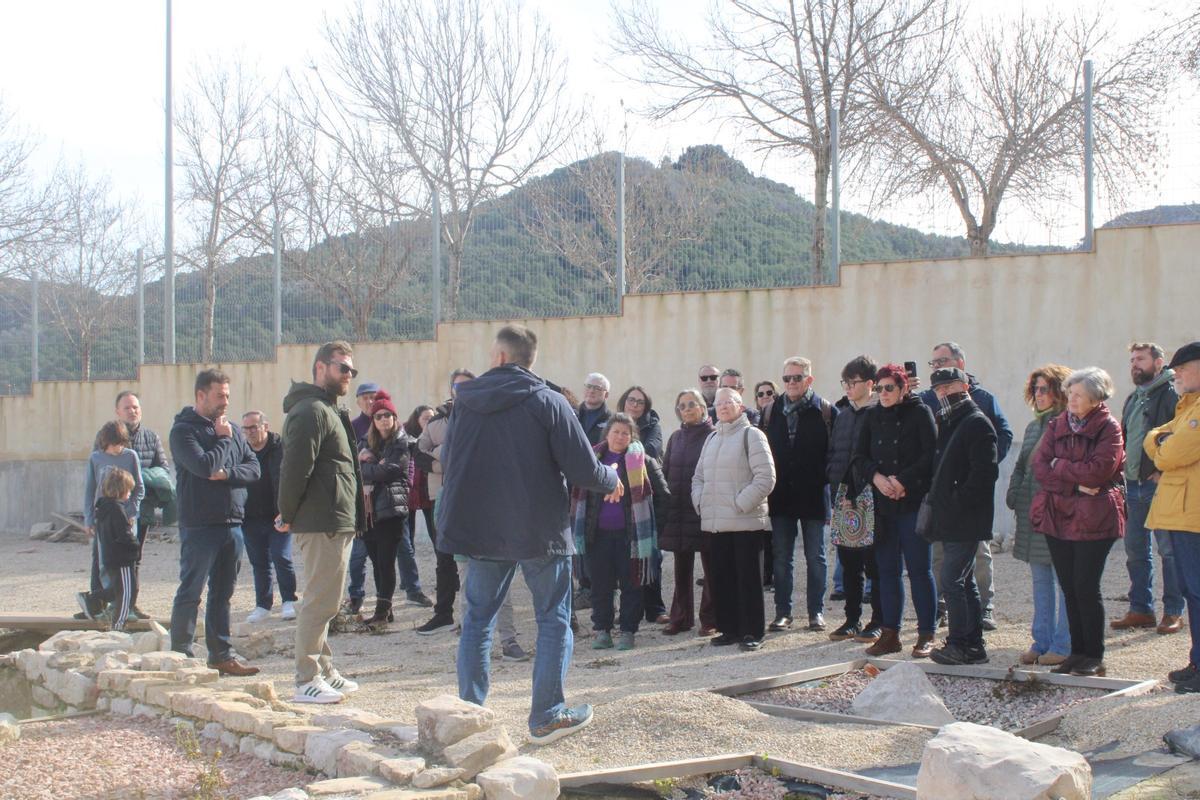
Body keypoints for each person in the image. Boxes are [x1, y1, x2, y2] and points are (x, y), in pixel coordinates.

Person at [438, 324, 619, 744]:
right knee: (553, 619)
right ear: (529, 359)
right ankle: (547, 716)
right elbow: (582, 470)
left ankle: (471, 720)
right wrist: (612, 479)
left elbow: (450, 459)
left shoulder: (464, 402)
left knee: (478, 620)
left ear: (499, 357)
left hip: (480, 529)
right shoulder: (550, 401)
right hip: (540, 530)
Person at [278, 341, 367, 703]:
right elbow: (295, 469)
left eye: (351, 370)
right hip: (321, 520)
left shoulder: (328, 409)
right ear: (320, 367)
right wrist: (286, 513)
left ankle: (325, 670)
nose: (348, 375)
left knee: (328, 601)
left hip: (336, 518)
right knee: (318, 601)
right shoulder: (310, 411)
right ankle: (306, 678)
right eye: (342, 368)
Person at [1032, 367, 1125, 677]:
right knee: (1069, 587)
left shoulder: (1109, 429)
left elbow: (1098, 472)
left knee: (1086, 586)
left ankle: (1094, 654)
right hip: (1058, 514)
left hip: (1094, 518)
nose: (1070, 399)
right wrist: (1072, 483)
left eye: (1078, 395)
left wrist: (1061, 465)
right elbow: (1041, 467)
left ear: (1096, 398)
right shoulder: (1058, 424)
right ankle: (1077, 652)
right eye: (1070, 393)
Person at [168, 369, 261, 677]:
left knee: (223, 592)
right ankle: (180, 653)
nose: (225, 402)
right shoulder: (184, 432)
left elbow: (254, 469)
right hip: (200, 525)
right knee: (191, 591)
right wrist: (222, 443)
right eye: (220, 395)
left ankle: (221, 654)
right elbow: (203, 466)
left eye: (228, 396)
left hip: (232, 524)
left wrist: (228, 474)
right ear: (201, 395)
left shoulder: (232, 429)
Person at [920, 342, 1012, 631]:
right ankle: (944, 609)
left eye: (943, 361)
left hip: (967, 502)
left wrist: (970, 484)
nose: (937, 368)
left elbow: (1001, 437)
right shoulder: (929, 399)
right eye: (933, 363)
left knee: (976, 559)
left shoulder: (981, 400)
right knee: (941, 562)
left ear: (961, 364)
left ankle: (982, 612)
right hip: (941, 497)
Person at [851, 364, 937, 657]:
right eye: (879, 388)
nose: (883, 393)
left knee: (919, 570)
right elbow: (859, 456)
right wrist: (876, 478)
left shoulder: (920, 413)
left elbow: (930, 455)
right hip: (882, 503)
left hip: (911, 501)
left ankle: (926, 633)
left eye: (890, 388)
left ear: (903, 389)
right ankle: (890, 633)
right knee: (887, 571)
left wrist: (903, 481)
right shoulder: (872, 416)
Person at [572, 414, 668, 650]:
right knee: (600, 586)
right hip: (597, 536)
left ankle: (628, 630)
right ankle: (602, 630)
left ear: (632, 436)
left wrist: (653, 529)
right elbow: (575, 495)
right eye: (616, 432)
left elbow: (663, 497)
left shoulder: (643, 461)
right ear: (607, 434)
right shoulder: (591, 460)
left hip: (632, 537)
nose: (620, 437)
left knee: (632, 584)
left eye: (625, 433)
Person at [926, 367, 999, 667]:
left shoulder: (976, 422)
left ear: (964, 385)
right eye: (938, 389)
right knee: (963, 580)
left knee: (952, 580)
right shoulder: (951, 420)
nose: (942, 393)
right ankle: (972, 644)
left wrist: (956, 501)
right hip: (951, 515)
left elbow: (985, 474)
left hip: (965, 517)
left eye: (948, 386)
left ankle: (960, 642)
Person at [77, 391, 172, 620]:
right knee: (103, 559)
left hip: (137, 512)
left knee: (132, 558)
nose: (133, 411)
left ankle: (129, 604)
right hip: (107, 515)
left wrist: (132, 507)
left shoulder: (149, 438)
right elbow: (91, 486)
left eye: (136, 407)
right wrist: (89, 518)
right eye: (127, 407)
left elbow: (162, 472)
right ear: (118, 411)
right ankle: (99, 604)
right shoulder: (101, 445)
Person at [693, 387, 776, 650]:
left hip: (745, 521)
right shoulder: (712, 439)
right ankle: (729, 629)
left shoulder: (752, 435)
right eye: (718, 403)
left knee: (748, 579)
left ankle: (753, 632)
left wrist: (740, 504)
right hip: (716, 523)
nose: (723, 407)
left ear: (740, 406)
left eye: (729, 402)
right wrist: (700, 502)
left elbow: (765, 478)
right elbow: (698, 478)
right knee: (721, 577)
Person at [1114, 342, 1182, 634]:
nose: (1134, 364)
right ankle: (1141, 609)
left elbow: (1178, 437)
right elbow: (1126, 436)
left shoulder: (1171, 394)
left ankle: (1173, 611)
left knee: (1169, 550)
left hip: (1159, 485)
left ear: (1159, 362)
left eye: (1140, 359)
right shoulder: (1134, 397)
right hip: (1133, 485)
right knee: (1136, 550)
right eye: (1131, 359)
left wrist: (1160, 470)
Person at [763, 357, 835, 632]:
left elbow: (835, 454)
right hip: (781, 497)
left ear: (809, 379)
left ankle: (816, 612)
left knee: (816, 557)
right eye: (787, 378)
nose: (791, 383)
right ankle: (783, 612)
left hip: (815, 496)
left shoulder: (826, 411)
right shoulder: (771, 412)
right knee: (782, 557)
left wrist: (825, 477)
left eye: (797, 377)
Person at [1007, 365, 1073, 666]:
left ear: (1060, 391)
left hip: (1057, 513)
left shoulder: (1069, 424)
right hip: (1031, 512)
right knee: (1040, 580)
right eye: (1035, 389)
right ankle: (1041, 640)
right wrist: (1016, 492)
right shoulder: (1034, 427)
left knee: (1064, 582)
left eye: (1044, 388)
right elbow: (1022, 464)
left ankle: (1063, 643)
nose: (1038, 394)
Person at [1144, 342, 1200, 693]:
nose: (1176, 374)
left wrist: (1162, 444)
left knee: (1197, 592)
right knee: (1193, 593)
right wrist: (1160, 440)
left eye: (1183, 368)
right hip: (1183, 512)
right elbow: (1155, 437)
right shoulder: (1187, 407)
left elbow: (1171, 453)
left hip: (1192, 514)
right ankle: (1197, 660)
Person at [826, 356, 881, 642]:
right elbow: (835, 452)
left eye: (853, 382)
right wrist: (836, 485)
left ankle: (879, 620)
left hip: (871, 497)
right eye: (845, 382)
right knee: (849, 562)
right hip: (844, 497)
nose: (848, 387)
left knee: (874, 563)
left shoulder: (880, 412)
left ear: (870, 384)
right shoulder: (844, 414)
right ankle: (852, 619)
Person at [661, 389, 718, 636]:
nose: (686, 409)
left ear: (703, 408)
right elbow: (665, 473)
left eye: (691, 404)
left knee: (711, 569)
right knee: (681, 569)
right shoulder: (675, 438)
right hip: (679, 511)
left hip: (704, 510)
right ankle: (681, 617)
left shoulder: (715, 436)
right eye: (681, 406)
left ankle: (710, 618)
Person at [357, 390, 417, 626]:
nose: (383, 419)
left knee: (386, 561)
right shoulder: (365, 440)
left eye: (387, 415)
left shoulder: (401, 441)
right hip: (369, 510)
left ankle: (381, 613)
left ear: (394, 417)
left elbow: (389, 471)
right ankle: (385, 609)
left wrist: (369, 462)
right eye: (378, 416)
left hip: (391, 509)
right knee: (375, 560)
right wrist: (371, 464)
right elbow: (354, 468)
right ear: (373, 419)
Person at [77, 421, 146, 621]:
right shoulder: (96, 458)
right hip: (105, 518)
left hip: (127, 519)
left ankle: (124, 606)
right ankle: (104, 602)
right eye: (116, 444)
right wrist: (89, 519)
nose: (119, 448)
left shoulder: (130, 456)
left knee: (127, 562)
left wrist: (132, 512)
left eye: (122, 444)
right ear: (107, 442)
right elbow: (90, 490)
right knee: (105, 563)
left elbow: (139, 488)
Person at [616, 385, 667, 623]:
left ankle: (655, 609)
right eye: (631, 400)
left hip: (645, 498)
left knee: (649, 555)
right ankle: (629, 610)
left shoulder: (652, 426)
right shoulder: (613, 424)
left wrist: (625, 452)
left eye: (639, 402)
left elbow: (652, 450)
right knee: (625, 561)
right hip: (620, 501)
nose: (634, 404)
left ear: (646, 406)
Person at [241, 411, 297, 623]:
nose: (249, 433)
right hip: (250, 516)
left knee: (281, 557)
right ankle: (263, 605)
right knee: (259, 562)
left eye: (253, 427)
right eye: (245, 429)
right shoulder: (241, 450)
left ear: (265, 426)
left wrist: (288, 509)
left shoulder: (282, 448)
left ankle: (289, 600)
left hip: (278, 514)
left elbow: (291, 479)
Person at [344, 382, 381, 613]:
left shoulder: (386, 422)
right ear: (357, 401)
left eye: (373, 397)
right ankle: (356, 595)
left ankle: (400, 593)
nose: (369, 401)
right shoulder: (351, 426)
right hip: (358, 500)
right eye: (365, 397)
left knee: (393, 553)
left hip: (383, 497)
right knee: (357, 555)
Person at [93, 468, 140, 632]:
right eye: (128, 490)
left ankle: (95, 597)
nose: (129, 494)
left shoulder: (103, 508)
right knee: (127, 593)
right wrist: (135, 545)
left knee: (116, 590)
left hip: (110, 557)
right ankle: (118, 625)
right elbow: (124, 534)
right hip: (122, 559)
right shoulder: (117, 510)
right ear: (121, 490)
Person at [754, 379, 780, 587]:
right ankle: (763, 574)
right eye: (760, 394)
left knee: (777, 536)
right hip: (759, 485)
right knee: (763, 534)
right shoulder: (753, 423)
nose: (765, 397)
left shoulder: (779, 418)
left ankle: (774, 575)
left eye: (769, 393)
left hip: (778, 484)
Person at [578, 373, 613, 446]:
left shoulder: (611, 420)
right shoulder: (572, 414)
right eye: (589, 386)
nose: (591, 391)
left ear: (606, 395)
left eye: (597, 388)